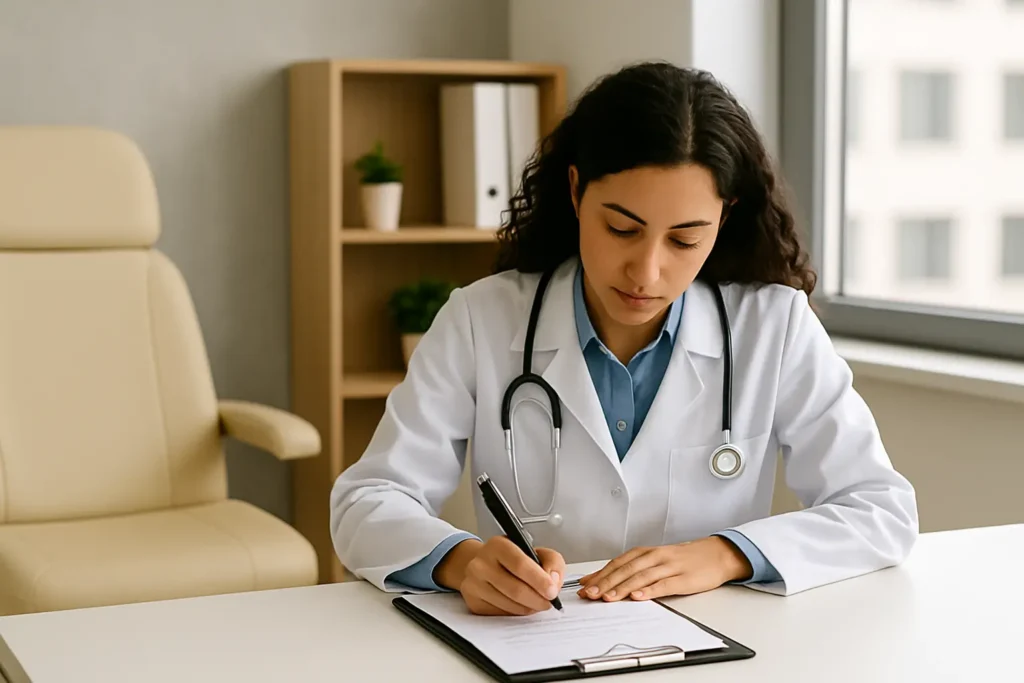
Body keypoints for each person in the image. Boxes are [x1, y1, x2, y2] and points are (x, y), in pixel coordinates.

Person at [329, 61, 918, 616]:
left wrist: (724, 554)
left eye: (685, 240)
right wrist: (460, 563)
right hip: (537, 646)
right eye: (621, 228)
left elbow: (879, 509)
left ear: (725, 217)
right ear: (577, 190)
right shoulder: (481, 319)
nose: (647, 272)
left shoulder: (775, 327)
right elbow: (366, 500)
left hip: (718, 647)